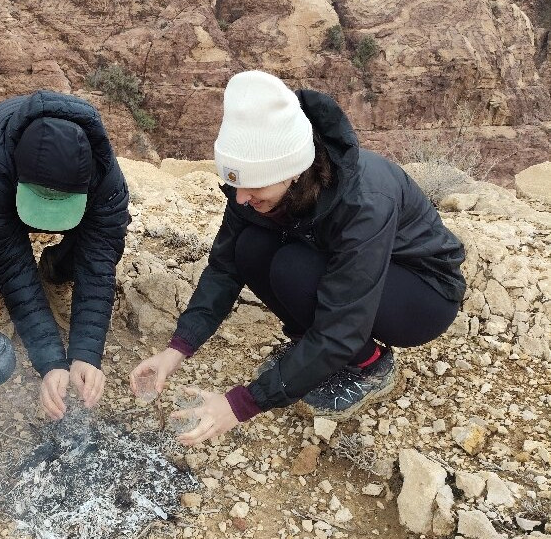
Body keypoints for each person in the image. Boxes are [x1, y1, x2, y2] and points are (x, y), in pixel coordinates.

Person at [130, 70, 466, 444]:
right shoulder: (252, 190)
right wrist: (177, 350)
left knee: (294, 269)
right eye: (233, 185)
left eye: (253, 187)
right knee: (251, 249)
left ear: (293, 173)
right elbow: (224, 267)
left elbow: (342, 326)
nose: (240, 199)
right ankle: (310, 355)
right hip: (350, 266)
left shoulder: (365, 200)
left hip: (420, 292)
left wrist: (241, 404)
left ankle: (370, 365)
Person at [0, 90, 130, 420]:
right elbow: (11, 258)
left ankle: (55, 271)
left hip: (74, 190)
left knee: (103, 238)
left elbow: (98, 262)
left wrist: (85, 354)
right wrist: (50, 360)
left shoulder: (105, 175)